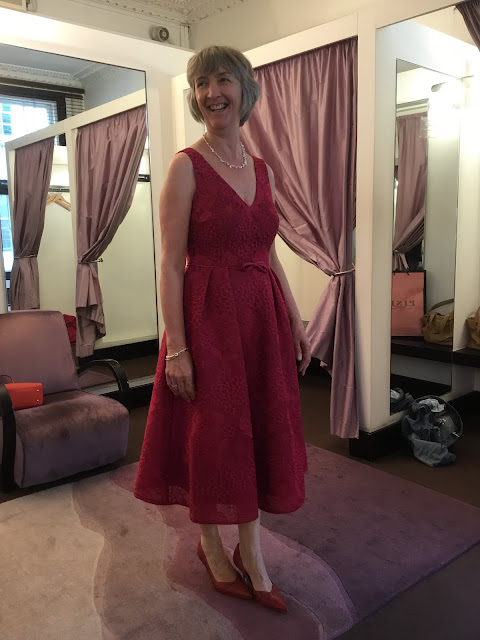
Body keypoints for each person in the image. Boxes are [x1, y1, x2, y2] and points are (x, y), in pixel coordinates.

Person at [134, 45, 311, 613]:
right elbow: (170, 264)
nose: (213, 92)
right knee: (213, 436)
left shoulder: (263, 170)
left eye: (224, 80)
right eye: (202, 83)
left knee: (256, 433)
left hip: (261, 320)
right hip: (207, 319)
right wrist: (177, 349)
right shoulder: (186, 165)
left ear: (245, 90)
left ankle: (250, 549)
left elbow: (269, 252)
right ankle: (214, 545)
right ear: (195, 97)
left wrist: (295, 317)